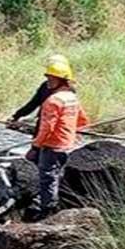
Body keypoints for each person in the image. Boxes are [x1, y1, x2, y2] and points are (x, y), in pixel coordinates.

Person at [27, 55, 89, 219]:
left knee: (47, 179)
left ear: (60, 80)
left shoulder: (53, 101)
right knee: (59, 177)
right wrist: (69, 132)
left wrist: (35, 146)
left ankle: (48, 212)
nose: (48, 80)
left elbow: (47, 128)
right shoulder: (72, 98)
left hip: (52, 146)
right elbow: (83, 120)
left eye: (51, 77)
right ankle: (54, 208)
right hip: (68, 146)